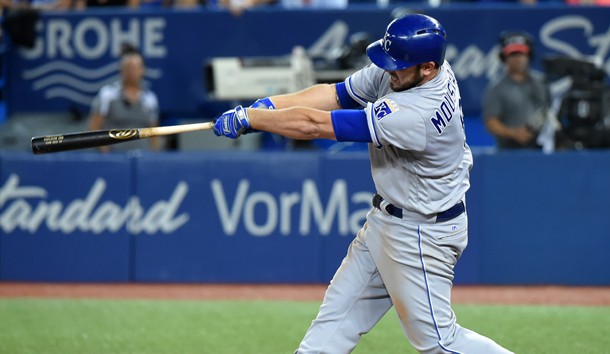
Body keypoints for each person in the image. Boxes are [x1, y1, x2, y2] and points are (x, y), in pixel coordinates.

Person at [213, 14, 513, 354]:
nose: (389, 70)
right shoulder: (409, 71)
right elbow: (334, 95)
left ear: (428, 68)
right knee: (331, 329)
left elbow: (314, 125)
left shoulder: (418, 112)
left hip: (421, 234)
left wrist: (254, 119)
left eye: (398, 65)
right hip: (387, 222)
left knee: (440, 344)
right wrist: (268, 106)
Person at [482, 31, 552, 149]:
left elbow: (551, 110)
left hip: (543, 148)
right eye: (512, 54)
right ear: (504, 58)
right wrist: (514, 133)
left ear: (529, 55)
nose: (517, 59)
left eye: (521, 54)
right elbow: (491, 122)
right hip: (510, 151)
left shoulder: (542, 82)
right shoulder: (496, 88)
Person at [88, 45, 160, 153]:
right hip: (113, 158)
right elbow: (94, 126)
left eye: (135, 68)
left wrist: (154, 154)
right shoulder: (107, 94)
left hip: (143, 157)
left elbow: (154, 132)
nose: (131, 72)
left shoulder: (150, 99)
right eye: (128, 68)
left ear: (142, 70)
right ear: (121, 69)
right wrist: (105, 152)